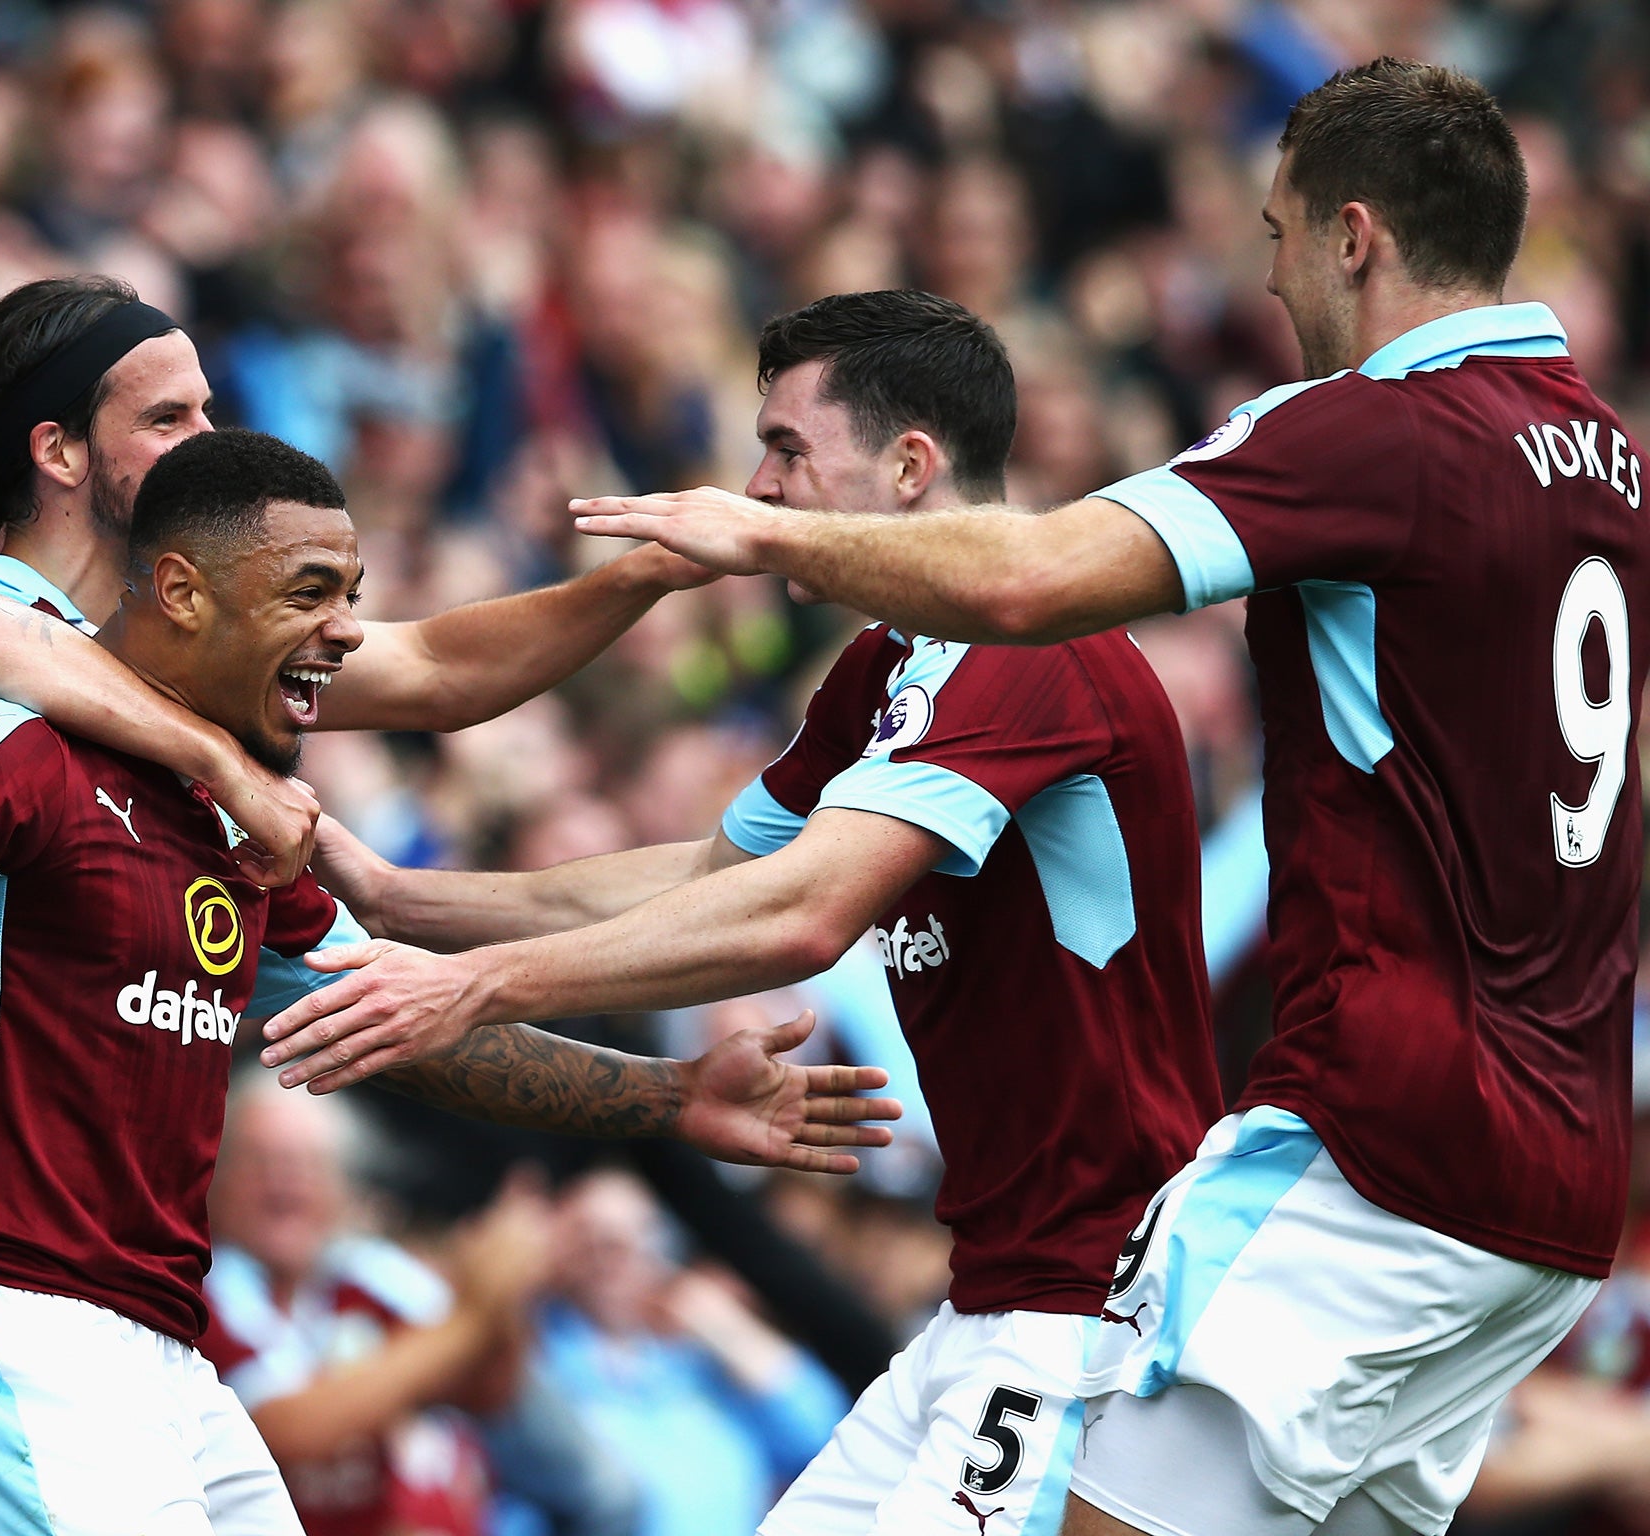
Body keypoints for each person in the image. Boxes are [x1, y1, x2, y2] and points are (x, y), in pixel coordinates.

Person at [570, 60, 1646, 1536]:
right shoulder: (1604, 459)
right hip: (1563, 1170)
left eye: (1273, 237)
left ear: (1352, 235)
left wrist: (763, 539)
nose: (1265, 283)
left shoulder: (1377, 430)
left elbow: (1031, 573)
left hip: (1382, 1136)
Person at [0, 427, 896, 1533]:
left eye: (352, 597)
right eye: (310, 593)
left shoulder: (236, 827)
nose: (343, 632)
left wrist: (669, 1096)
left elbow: (406, 1020)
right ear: (180, 591)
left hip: (151, 1344)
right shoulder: (18, 740)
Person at [269, 290, 1223, 1534]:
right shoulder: (886, 664)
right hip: (994, 1295)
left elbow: (799, 917)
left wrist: (477, 986)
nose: (757, 490)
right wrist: (406, 900)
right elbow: (710, 877)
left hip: (1091, 1305)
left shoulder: (1022, 649)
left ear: (908, 467)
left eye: (784, 450)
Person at [0, 273, 713, 878]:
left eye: (205, 411)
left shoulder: (180, 628)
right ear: (58, 450)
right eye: (167, 418)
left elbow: (439, 671)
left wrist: (644, 573)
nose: (207, 441)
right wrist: (230, 768)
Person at [203, 1076, 560, 1536]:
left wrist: (506, 1288)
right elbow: (286, 1430)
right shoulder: (201, 1290)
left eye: (308, 1165)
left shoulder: (368, 1273)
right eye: (261, 1160)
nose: (284, 1182)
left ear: (344, 1187)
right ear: (218, 1177)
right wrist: (470, 1317)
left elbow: (487, 1391)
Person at [537, 1168, 847, 1536]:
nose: (611, 1261)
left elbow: (826, 1440)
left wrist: (729, 1330)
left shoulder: (698, 1366)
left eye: (633, 1241)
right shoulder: (534, 1356)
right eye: (591, 1240)